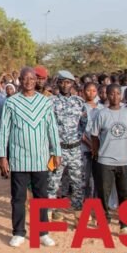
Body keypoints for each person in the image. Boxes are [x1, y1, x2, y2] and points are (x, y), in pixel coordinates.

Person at [0, 67, 61, 247]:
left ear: (37, 80)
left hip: (41, 158)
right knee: (18, 198)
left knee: (41, 196)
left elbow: (52, 128)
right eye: (25, 78)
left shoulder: (45, 102)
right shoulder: (11, 102)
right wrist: (2, 156)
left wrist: (56, 151)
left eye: (32, 78)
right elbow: (4, 130)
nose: (29, 81)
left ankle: (42, 233)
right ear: (20, 81)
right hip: (19, 158)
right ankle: (18, 232)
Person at [91, 84, 127, 236]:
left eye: (118, 93)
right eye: (111, 94)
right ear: (107, 96)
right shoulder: (101, 114)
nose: (115, 97)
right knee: (104, 193)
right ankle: (104, 221)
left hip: (124, 159)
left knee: (126, 193)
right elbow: (94, 136)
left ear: (121, 95)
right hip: (105, 160)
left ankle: (124, 224)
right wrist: (96, 152)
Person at [47, 71, 85, 220]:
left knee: (78, 184)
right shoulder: (51, 102)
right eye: (62, 82)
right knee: (52, 183)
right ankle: (50, 214)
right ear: (58, 83)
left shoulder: (79, 102)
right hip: (58, 150)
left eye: (68, 82)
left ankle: (78, 215)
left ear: (72, 84)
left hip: (75, 150)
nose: (65, 85)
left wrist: (76, 138)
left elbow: (84, 124)